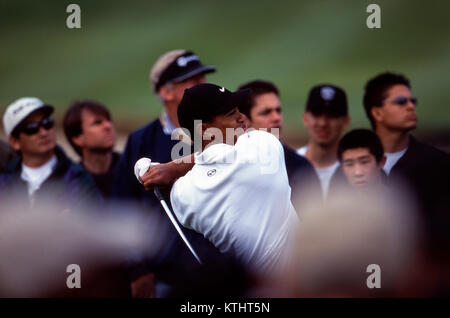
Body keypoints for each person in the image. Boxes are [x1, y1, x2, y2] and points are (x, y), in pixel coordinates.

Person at [112, 50, 241, 297]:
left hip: (227, 273)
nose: (203, 86)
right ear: (166, 92)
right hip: (165, 277)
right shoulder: (140, 141)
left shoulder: (226, 132)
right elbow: (122, 211)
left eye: (203, 79)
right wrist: (137, 270)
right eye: (192, 82)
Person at [140, 83, 299, 282]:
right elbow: (219, 156)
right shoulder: (265, 146)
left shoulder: (182, 195)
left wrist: (169, 169)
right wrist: (173, 166)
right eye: (231, 113)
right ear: (205, 129)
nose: (242, 117)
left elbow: (208, 158)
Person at [363, 72, 450, 266]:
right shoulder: (350, 165)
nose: (411, 106)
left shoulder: (440, 165)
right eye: (401, 102)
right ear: (377, 113)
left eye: (413, 101)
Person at [0, 97, 100, 212]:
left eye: (47, 123)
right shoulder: (4, 183)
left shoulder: (78, 179)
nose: (43, 132)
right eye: (32, 128)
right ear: (15, 142)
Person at [237, 80, 321, 210]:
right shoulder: (230, 163)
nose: (276, 118)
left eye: (278, 110)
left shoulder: (300, 168)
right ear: (244, 121)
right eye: (266, 112)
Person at [297, 84, 350, 200]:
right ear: (305, 118)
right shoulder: (289, 164)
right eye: (317, 114)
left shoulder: (355, 170)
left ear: (346, 121)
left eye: (332, 115)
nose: (323, 123)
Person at [63, 100, 119, 201]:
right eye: (97, 123)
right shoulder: (70, 182)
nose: (108, 126)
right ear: (77, 138)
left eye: (109, 120)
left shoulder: (132, 168)